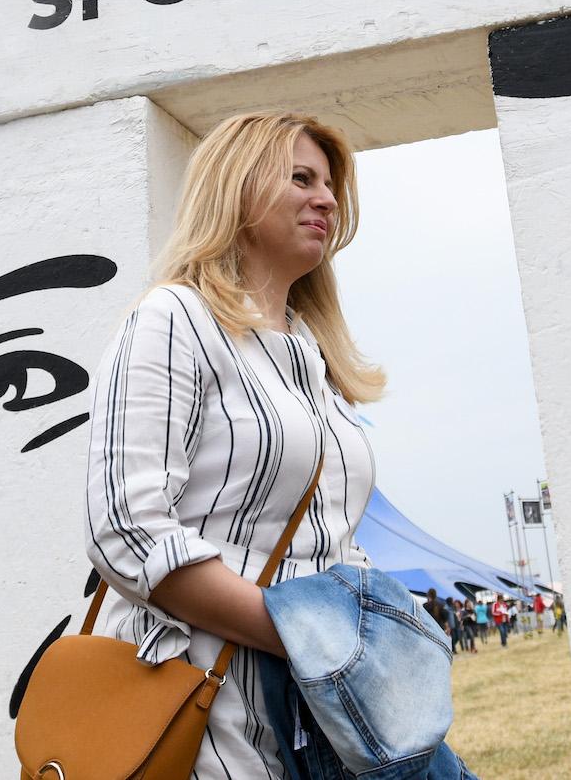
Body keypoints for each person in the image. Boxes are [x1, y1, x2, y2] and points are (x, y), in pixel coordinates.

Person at [85, 111, 465, 778]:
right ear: (236, 188)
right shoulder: (173, 317)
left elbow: (329, 538)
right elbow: (125, 526)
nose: (327, 199)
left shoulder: (315, 357)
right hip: (200, 702)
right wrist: (306, 632)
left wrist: (375, 632)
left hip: (329, 711)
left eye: (329, 185)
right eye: (300, 178)